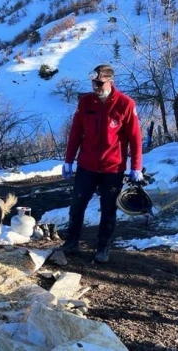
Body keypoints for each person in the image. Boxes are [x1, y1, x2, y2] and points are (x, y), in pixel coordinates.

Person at [59, 64, 143, 263]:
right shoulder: (85, 102)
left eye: (99, 83)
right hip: (86, 165)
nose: (95, 87)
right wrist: (69, 160)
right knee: (77, 205)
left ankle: (102, 248)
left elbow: (135, 138)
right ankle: (71, 242)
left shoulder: (126, 104)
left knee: (108, 209)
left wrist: (136, 167)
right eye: (93, 83)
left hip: (113, 168)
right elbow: (75, 134)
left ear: (110, 82)